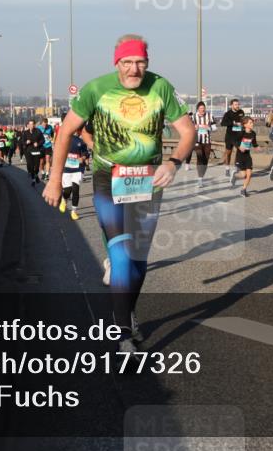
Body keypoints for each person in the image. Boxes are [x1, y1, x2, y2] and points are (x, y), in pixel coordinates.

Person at [43, 34, 194, 352]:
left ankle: (127, 314)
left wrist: (174, 162)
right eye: (127, 62)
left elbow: (187, 131)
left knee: (138, 258)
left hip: (148, 180)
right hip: (106, 178)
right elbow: (66, 131)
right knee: (122, 251)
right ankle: (123, 332)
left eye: (140, 62)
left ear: (148, 63)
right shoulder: (96, 89)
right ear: (117, 63)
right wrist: (55, 180)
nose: (134, 69)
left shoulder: (160, 87)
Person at [59, 130, 89, 221]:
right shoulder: (63, 140)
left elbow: (85, 153)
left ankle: (74, 211)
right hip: (67, 169)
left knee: (76, 189)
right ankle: (64, 199)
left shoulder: (80, 141)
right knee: (68, 190)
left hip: (78, 169)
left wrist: (82, 158)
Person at [229, 116, 258, 197]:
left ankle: (244, 189)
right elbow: (233, 140)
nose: (252, 124)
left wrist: (257, 147)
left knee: (249, 174)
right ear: (245, 125)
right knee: (243, 175)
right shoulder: (241, 133)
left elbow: (254, 143)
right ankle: (234, 176)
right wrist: (239, 147)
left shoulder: (253, 133)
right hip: (240, 156)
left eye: (252, 122)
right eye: (250, 123)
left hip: (247, 156)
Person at [190, 101, 215, 189]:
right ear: (198, 109)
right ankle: (199, 180)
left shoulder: (210, 116)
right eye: (200, 108)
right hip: (197, 141)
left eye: (203, 108)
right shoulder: (193, 117)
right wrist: (194, 127)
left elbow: (215, 128)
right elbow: (188, 127)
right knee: (200, 157)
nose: (202, 110)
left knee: (205, 160)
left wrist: (208, 127)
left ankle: (201, 177)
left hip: (207, 141)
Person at [220, 99, 246, 177]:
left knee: (240, 151)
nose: (237, 106)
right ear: (231, 105)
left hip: (239, 135)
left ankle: (237, 167)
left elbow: (244, 121)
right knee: (228, 152)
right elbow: (222, 123)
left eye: (238, 104)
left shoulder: (241, 112)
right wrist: (233, 123)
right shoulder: (227, 114)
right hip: (230, 136)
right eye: (235, 104)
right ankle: (227, 168)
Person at [23, 120, 45, 186]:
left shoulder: (38, 131)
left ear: (34, 125)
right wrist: (26, 142)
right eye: (29, 124)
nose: (31, 126)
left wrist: (38, 144)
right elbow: (22, 142)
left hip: (37, 151)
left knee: (37, 166)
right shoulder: (25, 133)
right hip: (29, 151)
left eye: (32, 124)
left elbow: (43, 140)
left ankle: (35, 175)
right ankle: (33, 179)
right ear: (28, 125)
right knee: (31, 166)